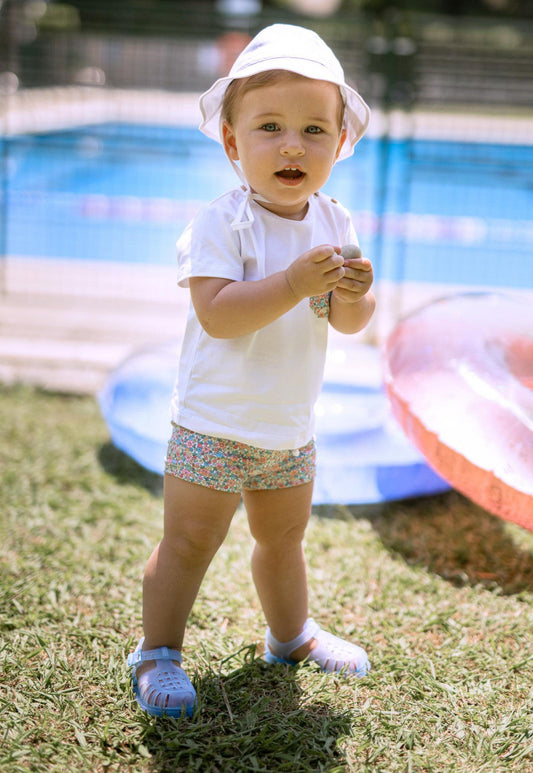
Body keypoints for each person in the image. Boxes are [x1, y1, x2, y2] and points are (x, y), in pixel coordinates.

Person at [128, 23, 375, 718]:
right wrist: (296, 282)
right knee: (189, 540)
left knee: (283, 539)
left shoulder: (335, 219)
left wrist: (355, 296)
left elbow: (347, 322)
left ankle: (289, 635)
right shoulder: (222, 223)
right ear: (233, 142)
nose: (292, 145)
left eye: (312, 129)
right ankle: (157, 650)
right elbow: (220, 315)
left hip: (288, 428)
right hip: (214, 422)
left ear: (339, 142)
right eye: (269, 127)